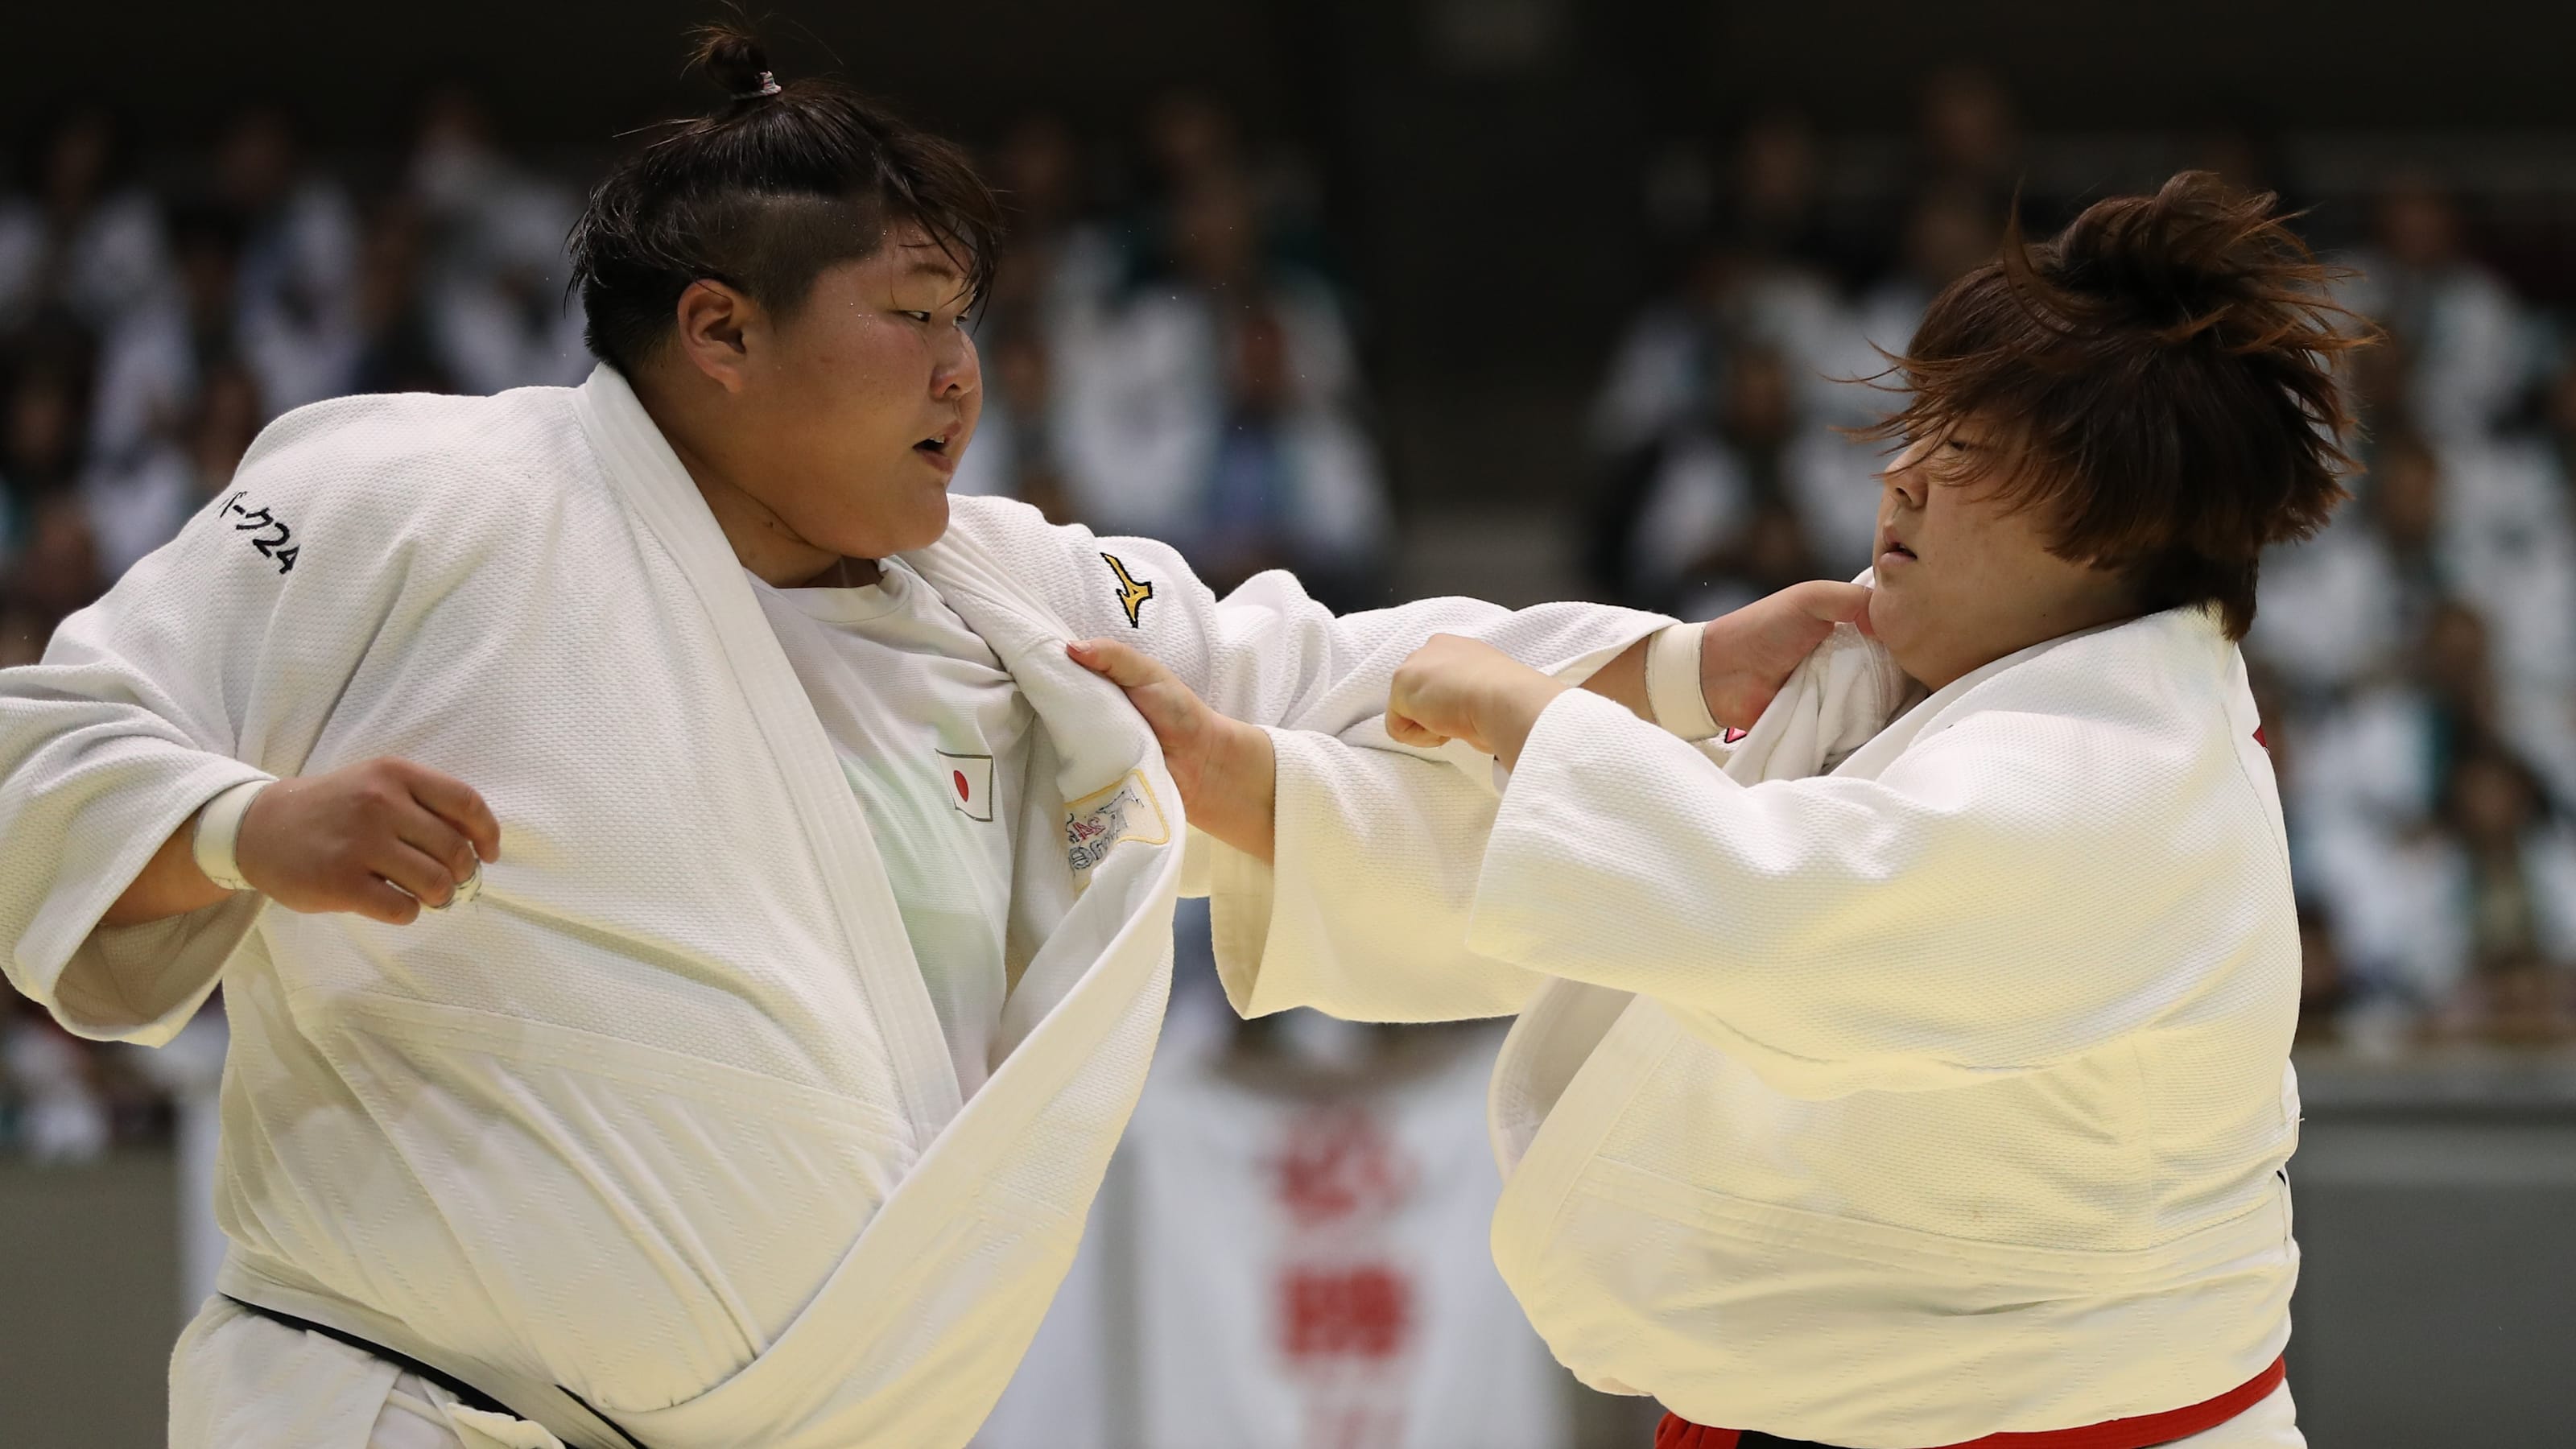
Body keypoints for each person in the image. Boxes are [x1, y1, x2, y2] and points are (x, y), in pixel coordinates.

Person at [0, 28, 1708, 1449]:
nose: (962, 374)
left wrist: (1688, 676)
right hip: (400, 1411)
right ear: (721, 332)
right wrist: (246, 833)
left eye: (966, 316)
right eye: (911, 315)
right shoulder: (407, 498)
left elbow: (1342, 676)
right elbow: (47, 747)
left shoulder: (1009, 595)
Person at [1080, 172, 2354, 1447]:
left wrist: (1525, 718)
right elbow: (1618, 884)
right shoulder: (1907, 669)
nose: (1902, 478)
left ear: (2105, 524)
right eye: (1922, 428)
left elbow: (1757, 900)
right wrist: (1276, 797)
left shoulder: (2128, 777)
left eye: (1965, 454)